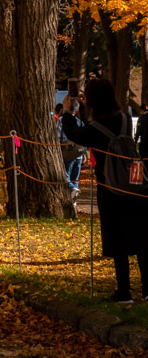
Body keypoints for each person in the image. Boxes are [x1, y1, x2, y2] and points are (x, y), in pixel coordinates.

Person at [62, 76, 148, 303]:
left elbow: (74, 134)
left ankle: (124, 291)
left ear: (93, 102)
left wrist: (68, 111)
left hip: (109, 188)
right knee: (141, 238)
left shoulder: (94, 129)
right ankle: (147, 290)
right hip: (134, 185)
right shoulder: (125, 119)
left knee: (117, 240)